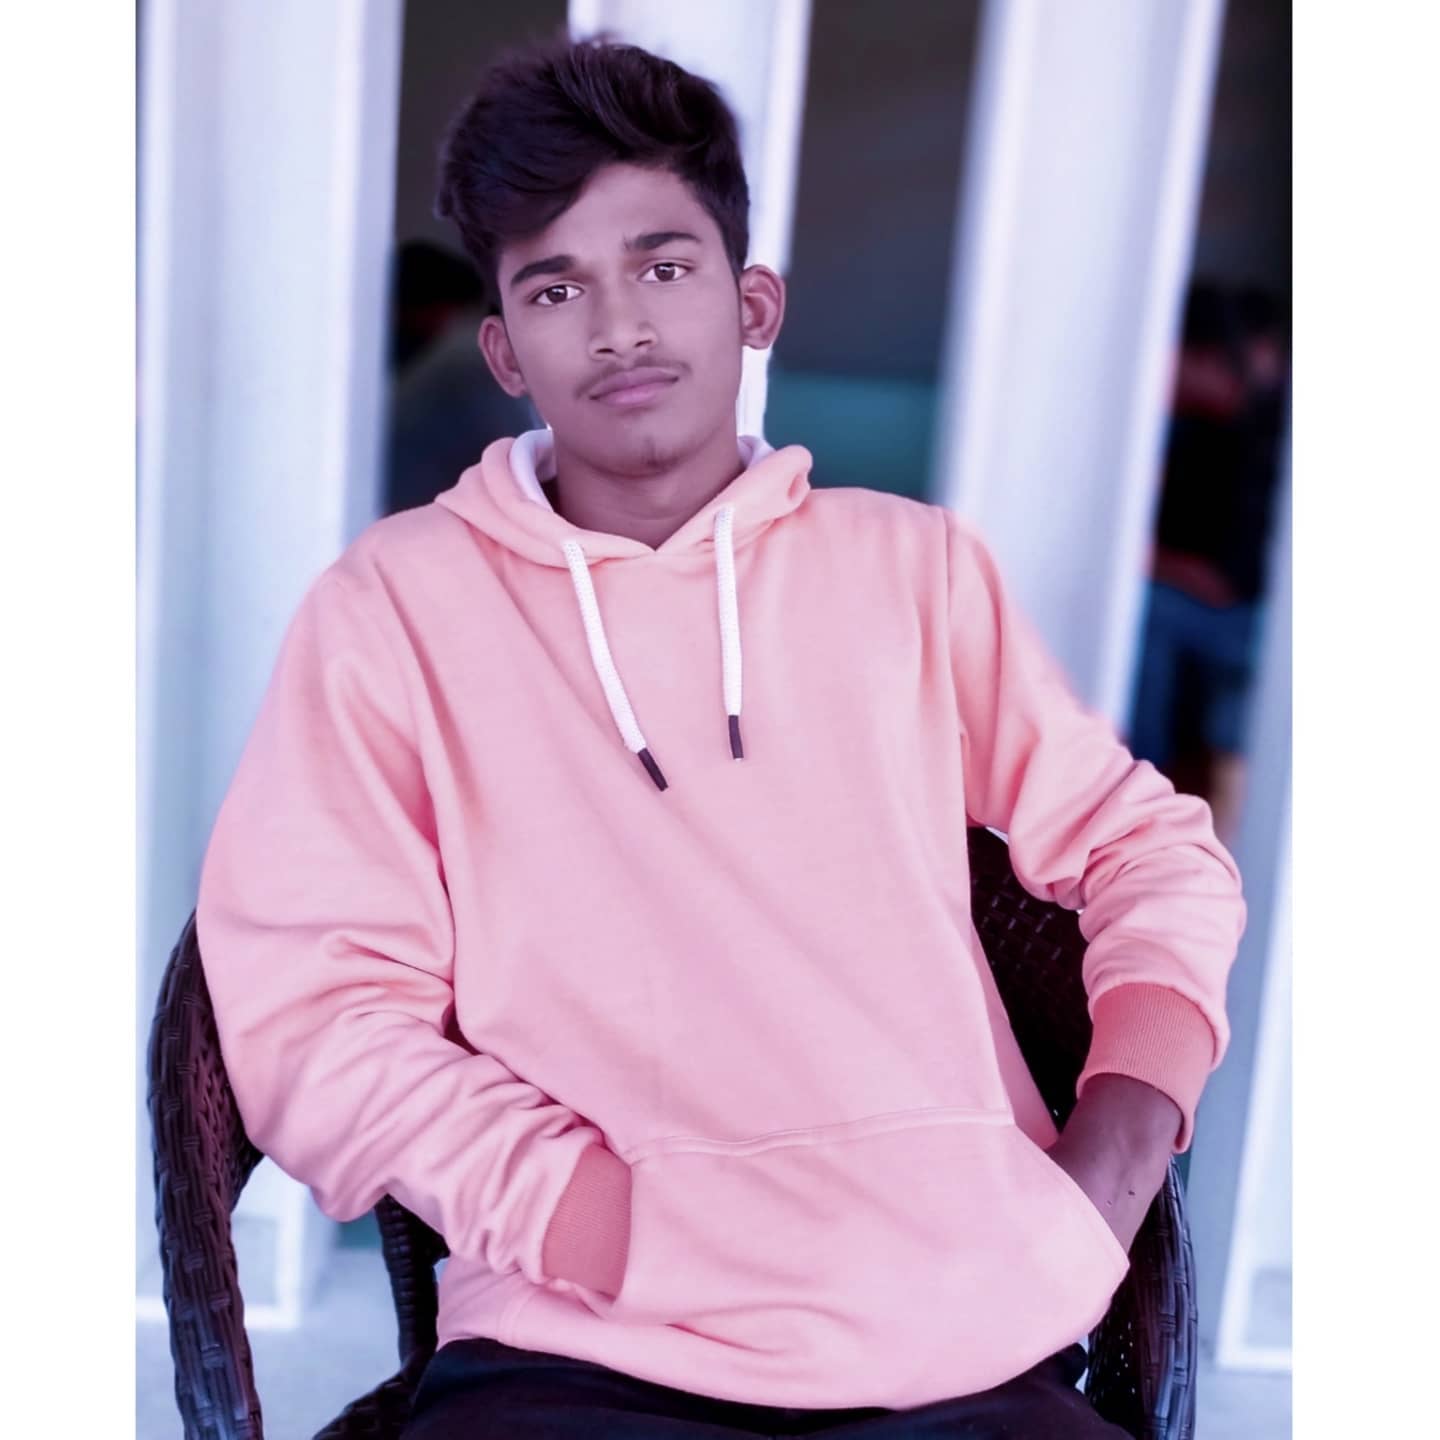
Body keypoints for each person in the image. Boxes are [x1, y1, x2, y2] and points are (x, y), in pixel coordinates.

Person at [195, 32, 1246, 1439]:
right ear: (502, 348)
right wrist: (592, 1221)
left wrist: (1116, 1148)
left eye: (663, 266)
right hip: (577, 1348)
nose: (618, 325)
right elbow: (313, 1014)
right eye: (556, 287)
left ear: (753, 302)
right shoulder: (391, 611)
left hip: (957, 1329)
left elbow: (1148, 849)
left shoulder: (911, 570)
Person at [1127, 280, 1289, 841]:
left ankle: (1137, 776)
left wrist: (1139, 559)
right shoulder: (1197, 428)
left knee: (1144, 605)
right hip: (1229, 609)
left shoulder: (1263, 439)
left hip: (1258, 627)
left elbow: (1225, 584)